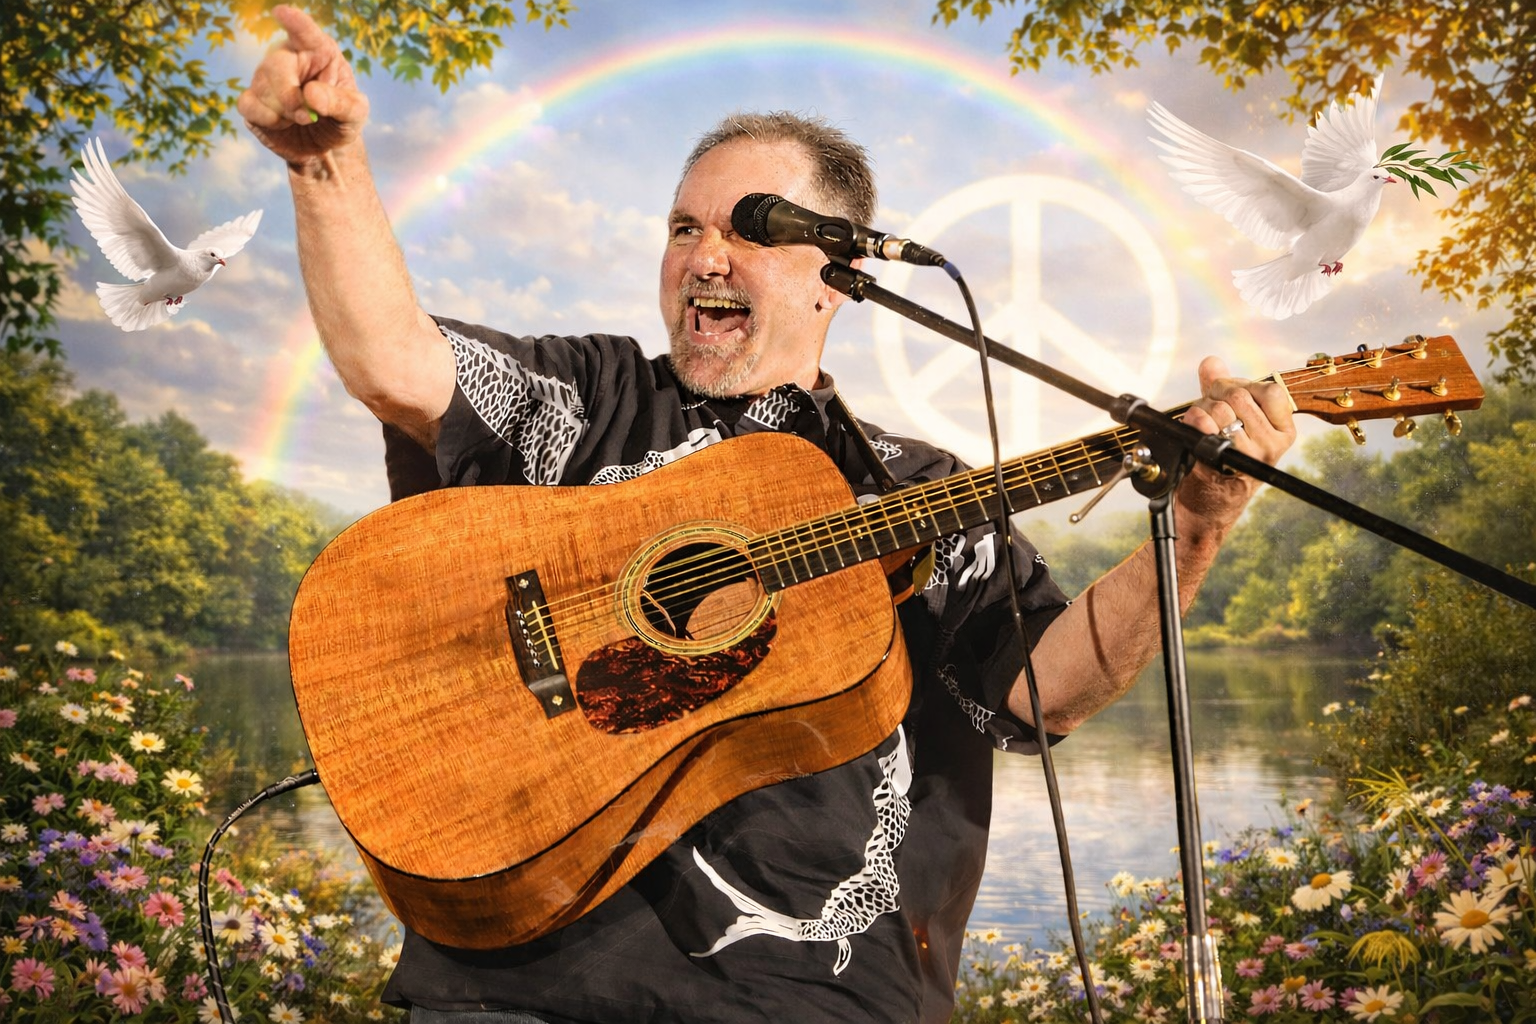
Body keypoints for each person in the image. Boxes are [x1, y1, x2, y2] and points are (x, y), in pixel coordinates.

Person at [239, 7, 1296, 1023]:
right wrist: (323, 163)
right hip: (526, 986)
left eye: (746, 228)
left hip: (821, 999)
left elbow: (1040, 691)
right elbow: (393, 359)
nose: (704, 255)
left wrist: (1197, 526)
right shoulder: (590, 397)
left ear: (838, 273)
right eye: (682, 227)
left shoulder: (922, 489)